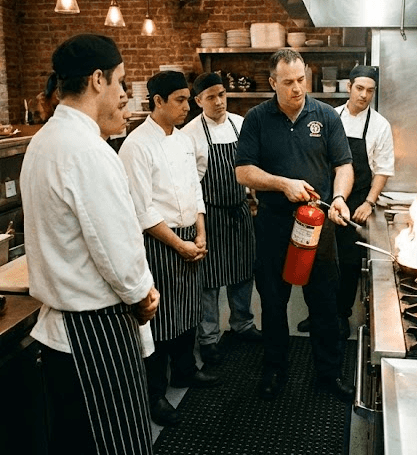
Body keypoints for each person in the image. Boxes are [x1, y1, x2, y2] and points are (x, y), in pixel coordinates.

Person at [23, 34, 160, 455]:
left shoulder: (45, 140)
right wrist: (141, 294)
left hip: (63, 335)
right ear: (98, 79)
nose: (124, 94)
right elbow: (115, 248)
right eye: (120, 82)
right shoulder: (87, 151)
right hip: (94, 336)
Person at [235, 48, 356, 401]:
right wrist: (282, 184)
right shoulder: (257, 119)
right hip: (274, 226)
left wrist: (339, 197)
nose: (297, 88)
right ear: (272, 82)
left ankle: (329, 374)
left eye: (301, 79)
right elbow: (243, 171)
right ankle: (275, 371)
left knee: (325, 304)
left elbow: (343, 165)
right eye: (288, 82)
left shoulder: (326, 116)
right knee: (273, 304)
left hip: (319, 225)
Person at [119, 70, 219, 427]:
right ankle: (155, 395)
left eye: (188, 99)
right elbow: (142, 208)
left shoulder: (183, 140)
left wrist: (201, 231)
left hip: (189, 234)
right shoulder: (136, 145)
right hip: (159, 241)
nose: (187, 107)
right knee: (159, 320)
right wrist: (179, 244)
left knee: (188, 310)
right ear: (158, 101)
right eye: (180, 100)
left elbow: (195, 187)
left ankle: (184, 370)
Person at [297, 65, 394, 338]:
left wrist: (369, 203)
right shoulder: (331, 117)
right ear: (349, 87)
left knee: (349, 263)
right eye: (359, 88)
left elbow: (383, 170)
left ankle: (341, 315)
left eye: (370, 91)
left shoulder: (380, 125)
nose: (364, 95)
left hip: (357, 203)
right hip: (324, 199)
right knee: (315, 258)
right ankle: (316, 313)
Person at [181, 72, 262, 367]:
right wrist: (199, 226)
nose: (218, 102)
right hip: (210, 214)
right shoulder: (190, 134)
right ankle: (209, 338)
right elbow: (191, 185)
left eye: (222, 95)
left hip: (239, 211)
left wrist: (253, 197)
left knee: (243, 272)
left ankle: (242, 324)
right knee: (209, 281)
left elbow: (252, 167)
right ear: (198, 101)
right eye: (211, 97)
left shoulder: (241, 124)